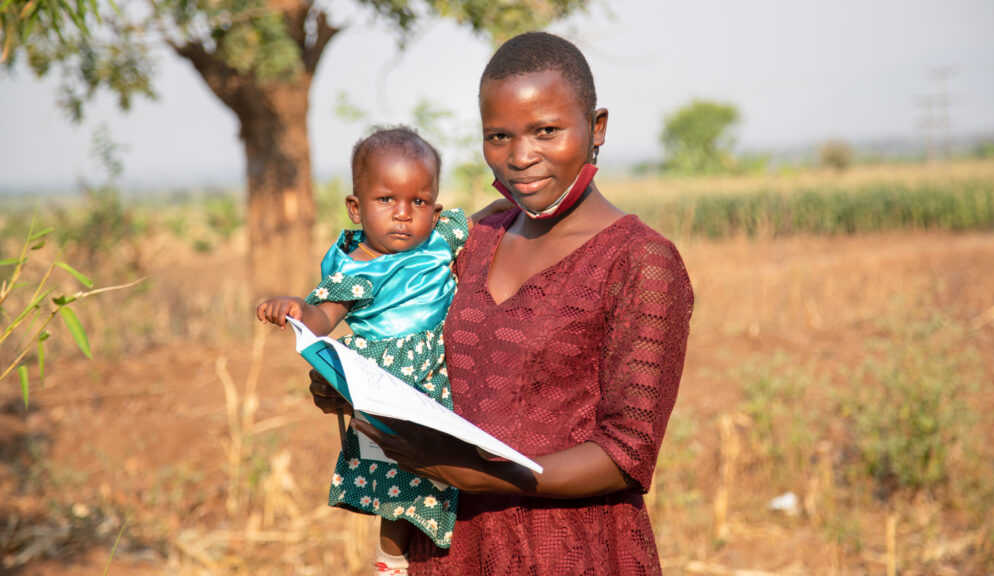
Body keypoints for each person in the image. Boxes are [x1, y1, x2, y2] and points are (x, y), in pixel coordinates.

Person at [311, 32, 694, 575]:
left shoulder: (639, 262)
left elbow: (626, 455)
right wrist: (347, 383)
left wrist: (475, 473)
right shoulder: (475, 236)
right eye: (498, 136)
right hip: (446, 544)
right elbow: (408, 339)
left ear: (597, 129)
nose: (520, 157)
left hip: (570, 551)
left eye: (547, 131)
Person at [258, 126, 505, 575]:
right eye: (386, 200)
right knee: (399, 478)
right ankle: (390, 560)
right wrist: (295, 309)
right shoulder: (356, 270)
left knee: (446, 470)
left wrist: (518, 201)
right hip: (388, 386)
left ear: (436, 207)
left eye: (419, 202)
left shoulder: (438, 243)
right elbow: (321, 317)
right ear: (356, 208)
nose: (404, 215)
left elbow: (487, 217)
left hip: (441, 377)